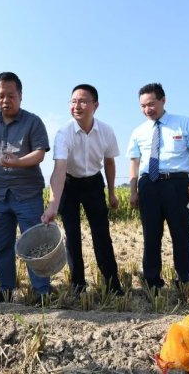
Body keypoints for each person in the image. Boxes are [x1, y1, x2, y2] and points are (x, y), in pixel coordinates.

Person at [0, 72, 51, 304]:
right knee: (1, 245)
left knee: (34, 245)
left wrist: (17, 162)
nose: (5, 100)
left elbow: (39, 153)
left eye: (11, 95)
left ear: (20, 96)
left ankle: (42, 292)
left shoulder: (33, 122)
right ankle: (6, 290)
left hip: (28, 195)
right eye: (1, 96)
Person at [42, 84, 123, 296]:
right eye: (73, 101)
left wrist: (112, 192)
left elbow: (109, 162)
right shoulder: (64, 133)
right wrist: (53, 205)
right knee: (72, 235)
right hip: (69, 184)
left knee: (101, 234)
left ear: (95, 105)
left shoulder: (106, 131)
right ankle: (78, 285)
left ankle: (113, 284)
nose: (77, 106)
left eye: (83, 101)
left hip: (94, 183)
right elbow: (59, 169)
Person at [126, 83, 189, 292]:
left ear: (163, 100)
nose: (147, 109)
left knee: (181, 234)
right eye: (143, 106)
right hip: (148, 185)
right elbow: (134, 162)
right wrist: (133, 191)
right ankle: (152, 281)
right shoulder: (138, 131)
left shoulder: (183, 123)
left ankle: (185, 280)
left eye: (151, 104)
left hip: (177, 184)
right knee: (151, 235)